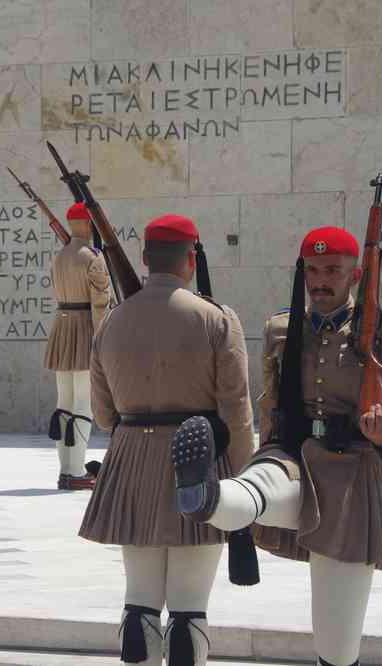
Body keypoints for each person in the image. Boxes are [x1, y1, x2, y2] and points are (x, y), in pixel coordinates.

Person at [173, 226, 382, 666]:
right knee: (252, 489)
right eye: (312, 269)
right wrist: (261, 448)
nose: (321, 279)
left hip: (353, 476)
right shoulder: (282, 329)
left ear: (356, 274)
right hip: (292, 456)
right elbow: (271, 404)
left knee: (337, 642)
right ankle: (206, 494)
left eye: (332, 270)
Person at [79, 214, 254, 665]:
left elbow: (102, 414)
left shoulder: (112, 322)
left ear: (144, 259)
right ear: (190, 261)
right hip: (197, 462)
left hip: (132, 462)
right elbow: (235, 408)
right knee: (188, 611)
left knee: (139, 605)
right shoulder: (216, 319)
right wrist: (246, 484)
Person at [44, 203, 113, 490]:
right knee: (83, 403)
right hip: (84, 328)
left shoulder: (59, 257)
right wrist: (104, 338)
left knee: (65, 403)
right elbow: (101, 302)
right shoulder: (92, 257)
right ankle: (75, 473)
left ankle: (66, 469)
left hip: (62, 327)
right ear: (88, 224)